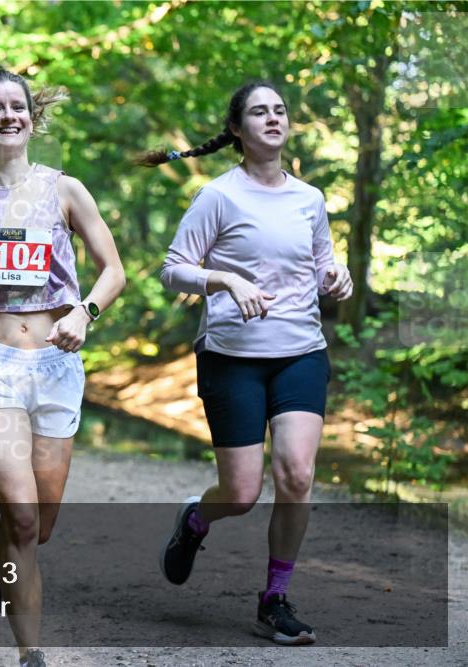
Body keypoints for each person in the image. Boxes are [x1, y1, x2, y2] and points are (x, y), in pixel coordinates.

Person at [0, 69, 125, 667]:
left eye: (18, 107)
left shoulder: (66, 190)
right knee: (26, 516)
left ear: (31, 117)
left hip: (57, 365)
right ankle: (30, 652)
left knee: (42, 525)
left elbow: (113, 271)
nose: (9, 116)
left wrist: (85, 313)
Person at [148, 80, 353, 646]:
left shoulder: (309, 198)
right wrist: (224, 278)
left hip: (300, 353)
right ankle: (196, 519)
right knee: (240, 493)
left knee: (297, 475)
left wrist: (338, 278)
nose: (273, 118)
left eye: (280, 110)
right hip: (232, 357)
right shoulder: (218, 196)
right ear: (237, 129)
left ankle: (274, 599)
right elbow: (173, 270)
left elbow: (321, 270)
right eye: (259, 112)